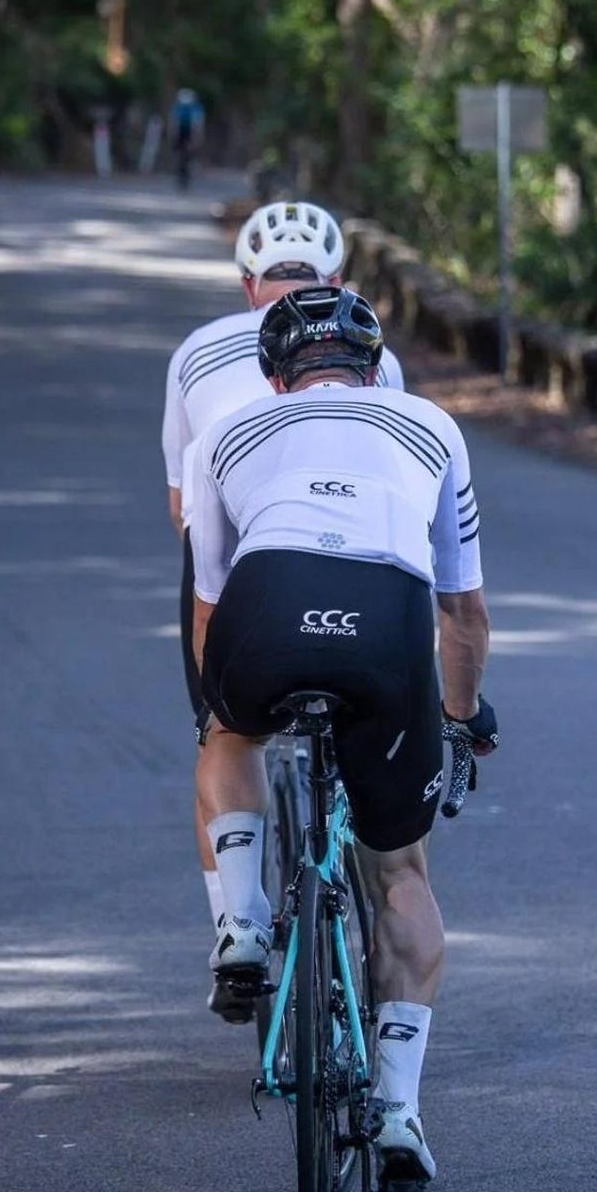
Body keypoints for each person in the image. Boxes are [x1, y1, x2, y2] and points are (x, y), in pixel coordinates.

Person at [183, 285, 497, 1192]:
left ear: (275, 375)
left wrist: (223, 707)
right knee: (400, 870)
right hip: (387, 617)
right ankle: (396, 1107)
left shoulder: (223, 434)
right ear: (374, 367)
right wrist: (460, 717)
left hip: (267, 603)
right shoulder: (431, 425)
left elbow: (208, 605)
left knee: (228, 732)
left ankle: (242, 924)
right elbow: (463, 613)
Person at [161, 202, 404, 1000]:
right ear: (337, 281)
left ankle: (237, 923)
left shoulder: (197, 350)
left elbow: (183, 508)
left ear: (247, 284)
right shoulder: (379, 354)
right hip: (369, 570)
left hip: (244, 563)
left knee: (225, 734)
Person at [170, 87, 204, 188]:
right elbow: (198, 125)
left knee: (181, 154)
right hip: (188, 133)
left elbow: (173, 123)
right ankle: (186, 171)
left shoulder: (179, 107)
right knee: (187, 153)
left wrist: (172, 135)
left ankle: (183, 172)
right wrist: (198, 137)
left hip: (183, 133)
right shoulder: (195, 108)